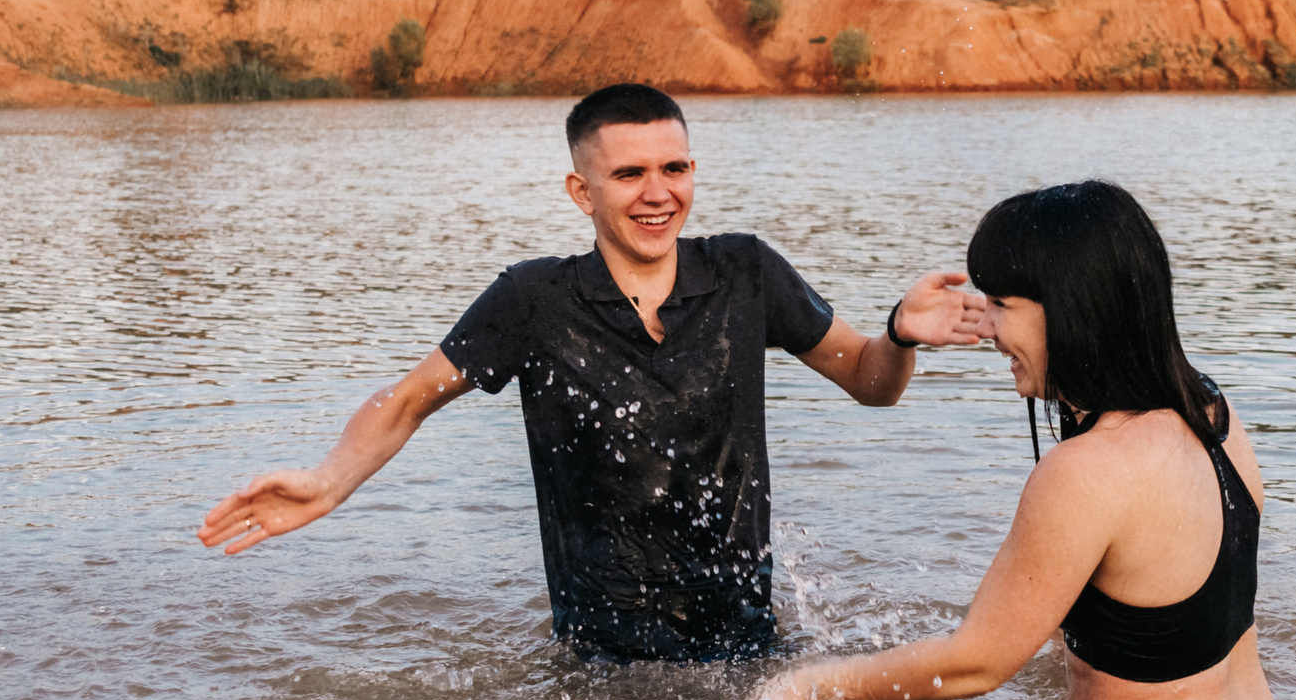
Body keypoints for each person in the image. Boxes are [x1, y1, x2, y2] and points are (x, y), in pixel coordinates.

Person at [197, 83, 986, 661]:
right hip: (601, 665)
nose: (658, 192)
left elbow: (867, 378)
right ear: (582, 190)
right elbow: (406, 401)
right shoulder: (532, 299)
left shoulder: (744, 271)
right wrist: (328, 481)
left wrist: (899, 333)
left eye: (674, 167)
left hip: (747, 651)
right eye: (630, 173)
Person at [757, 180, 1277, 700]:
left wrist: (812, 687)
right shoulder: (1209, 407)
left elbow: (979, 663)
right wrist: (901, 331)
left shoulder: (1089, 470)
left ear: (1072, 308)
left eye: (1001, 305)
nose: (987, 332)